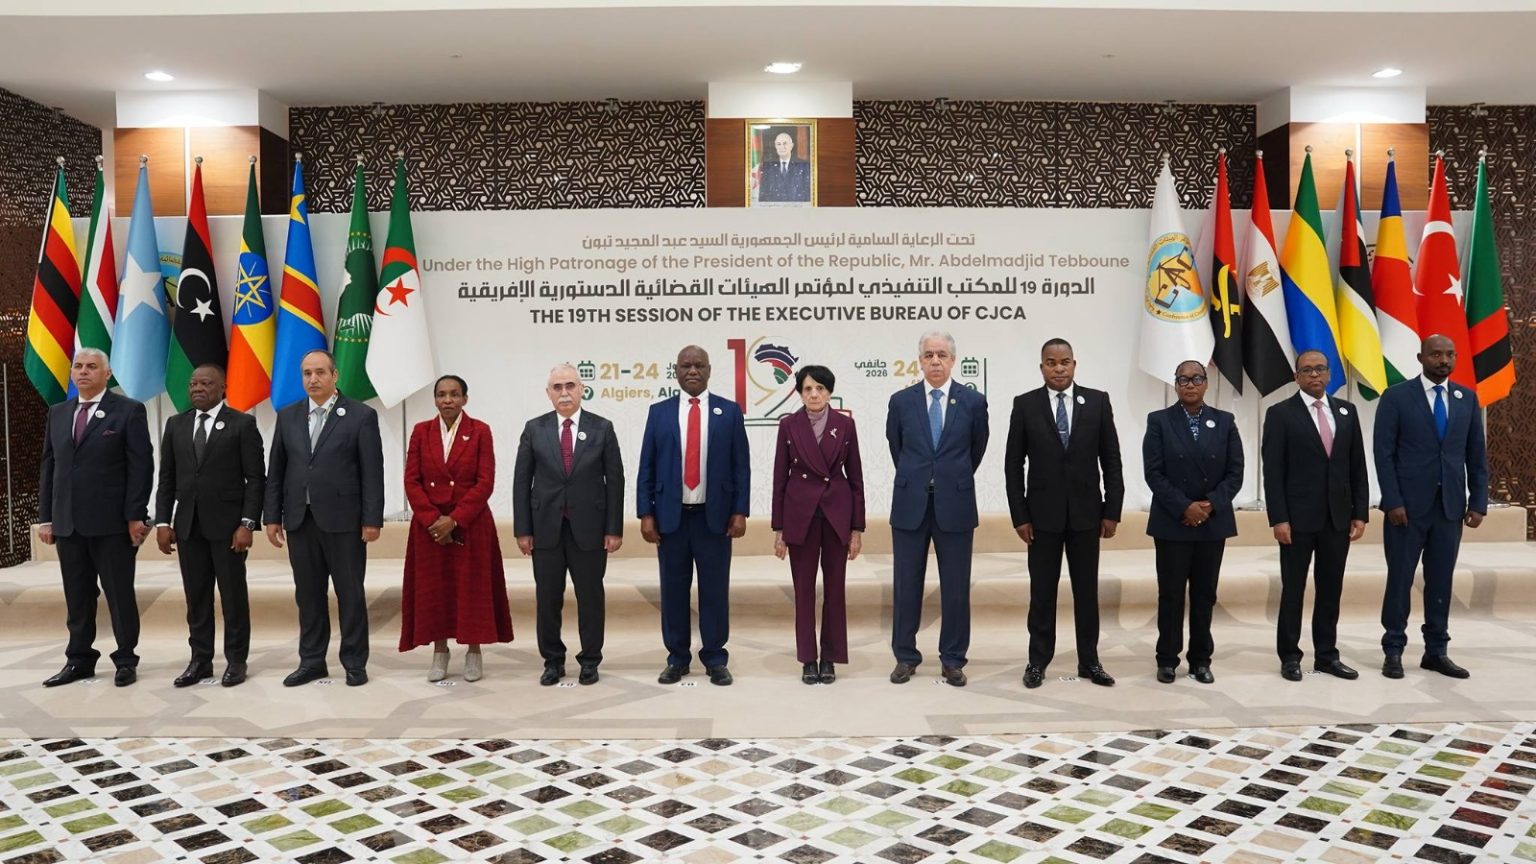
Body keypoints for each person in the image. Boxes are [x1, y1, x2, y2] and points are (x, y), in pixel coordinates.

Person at [1005, 338, 1123, 689]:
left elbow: (1111, 459)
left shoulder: (1097, 401)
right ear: (1042, 367)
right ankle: (1037, 661)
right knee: (1042, 593)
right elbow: (1013, 465)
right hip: (1041, 518)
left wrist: (1112, 510)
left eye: (1065, 362)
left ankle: (1090, 661)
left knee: (1086, 592)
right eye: (1051, 362)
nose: (1059, 368)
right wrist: (1020, 515)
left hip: (1088, 516)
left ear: (1074, 364)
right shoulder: (1025, 404)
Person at [264, 349, 384, 687]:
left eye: (320, 372)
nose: (313, 379)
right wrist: (272, 516)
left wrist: (372, 518)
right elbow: (277, 470)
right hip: (300, 520)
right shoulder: (288, 415)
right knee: (308, 595)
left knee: (350, 594)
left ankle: (354, 662)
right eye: (307, 373)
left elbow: (372, 472)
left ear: (335, 376)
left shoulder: (360, 415)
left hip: (344, 521)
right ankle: (312, 660)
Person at [36, 347, 153, 688]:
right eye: (78, 366)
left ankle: (126, 659)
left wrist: (136, 515)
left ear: (107, 373)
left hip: (112, 524)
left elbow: (141, 466)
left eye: (91, 366)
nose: (83, 372)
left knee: (119, 594)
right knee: (77, 595)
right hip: (68, 523)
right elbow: (50, 467)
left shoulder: (128, 410)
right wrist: (47, 517)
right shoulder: (58, 413)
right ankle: (79, 659)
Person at [1375, 334, 1488, 680]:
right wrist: (1393, 500)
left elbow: (1476, 455)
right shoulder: (1396, 397)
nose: (1444, 360)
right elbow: (1383, 454)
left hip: (1449, 508)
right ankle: (1393, 649)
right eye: (1436, 354)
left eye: (1450, 355)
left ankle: (1436, 651)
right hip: (1406, 509)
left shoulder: (1467, 398)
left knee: (1441, 581)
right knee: (1400, 580)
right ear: (1421, 358)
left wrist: (1478, 501)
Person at [637, 345, 750, 686]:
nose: (692, 371)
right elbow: (647, 467)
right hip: (670, 519)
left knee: (714, 591)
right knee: (673, 591)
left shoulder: (729, 412)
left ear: (709, 370)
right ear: (676, 371)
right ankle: (677, 658)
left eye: (699, 365)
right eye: (686, 365)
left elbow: (741, 466)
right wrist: (646, 513)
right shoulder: (659, 413)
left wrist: (740, 511)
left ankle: (715, 657)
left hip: (714, 519)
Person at [887, 331, 989, 687]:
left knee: (956, 588)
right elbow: (897, 447)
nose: (935, 361)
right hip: (910, 504)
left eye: (941, 355)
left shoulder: (973, 402)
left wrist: (949, 477)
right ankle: (905, 656)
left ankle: (953, 659)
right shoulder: (901, 402)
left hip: (955, 504)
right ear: (920, 361)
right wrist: (921, 477)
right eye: (929, 355)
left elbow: (976, 449)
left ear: (952, 360)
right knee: (906, 585)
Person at [154, 364, 264, 688]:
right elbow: (167, 479)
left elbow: (256, 479)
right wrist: (162, 521)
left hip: (229, 529)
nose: (197, 389)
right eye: (193, 384)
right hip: (188, 527)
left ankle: (236, 661)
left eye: (206, 383)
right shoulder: (176, 424)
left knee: (232, 597)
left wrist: (247, 523)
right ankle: (200, 660)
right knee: (197, 598)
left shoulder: (242, 424)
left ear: (222, 388)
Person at [513, 364, 623, 686]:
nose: (564, 393)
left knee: (591, 598)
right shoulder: (534, 429)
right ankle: (552, 660)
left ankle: (590, 660)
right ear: (548, 393)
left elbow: (615, 480)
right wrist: (523, 530)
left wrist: (613, 528)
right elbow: (521, 482)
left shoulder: (602, 428)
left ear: (582, 389)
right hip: (545, 528)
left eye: (570, 386)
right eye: (557, 387)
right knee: (548, 599)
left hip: (590, 529)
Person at [1262, 350, 1368, 682]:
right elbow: (1273, 472)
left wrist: (1360, 513)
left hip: (1337, 518)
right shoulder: (1280, 414)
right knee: (1293, 589)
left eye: (1320, 369)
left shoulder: (1347, 411)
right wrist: (1279, 518)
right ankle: (1290, 656)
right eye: (1307, 370)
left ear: (1329, 373)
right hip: (1297, 520)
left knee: (1330, 589)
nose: (1314, 375)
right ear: (1296, 376)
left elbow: (1357, 466)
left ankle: (1326, 655)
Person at [401, 374, 514, 681]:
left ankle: (474, 651)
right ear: (435, 399)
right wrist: (432, 519)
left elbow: (485, 482)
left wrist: (454, 519)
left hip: (470, 523)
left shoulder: (480, 431)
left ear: (465, 398)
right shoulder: (421, 431)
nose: (447, 400)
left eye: (454, 394)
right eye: (441, 394)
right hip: (429, 528)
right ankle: (440, 652)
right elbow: (411, 480)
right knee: (435, 590)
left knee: (471, 590)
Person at [1142, 361, 1243, 685]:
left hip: (1212, 524)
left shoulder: (1224, 421)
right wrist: (1185, 506)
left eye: (1196, 378)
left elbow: (1235, 472)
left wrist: (1210, 505)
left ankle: (1200, 660)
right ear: (1175, 384)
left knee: (1205, 594)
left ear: (1206, 383)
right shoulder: (1159, 421)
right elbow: (1153, 472)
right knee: (1170, 595)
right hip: (1173, 523)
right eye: (1183, 379)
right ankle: (1167, 659)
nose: (1190, 385)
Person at [771, 365, 865, 684]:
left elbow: (856, 479)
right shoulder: (788, 425)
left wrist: (857, 528)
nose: (814, 394)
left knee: (835, 590)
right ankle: (808, 658)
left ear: (830, 392)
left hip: (838, 515)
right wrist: (779, 529)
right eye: (808, 389)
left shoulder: (845, 425)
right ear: (799, 393)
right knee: (804, 590)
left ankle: (830, 657)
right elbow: (779, 479)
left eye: (820, 389)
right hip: (800, 516)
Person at [757, 128, 812, 203]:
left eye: (785, 143)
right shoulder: (768, 167)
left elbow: (808, 195)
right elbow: (763, 195)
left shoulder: (804, 166)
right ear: (775, 146)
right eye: (778, 144)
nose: (782, 147)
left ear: (791, 146)